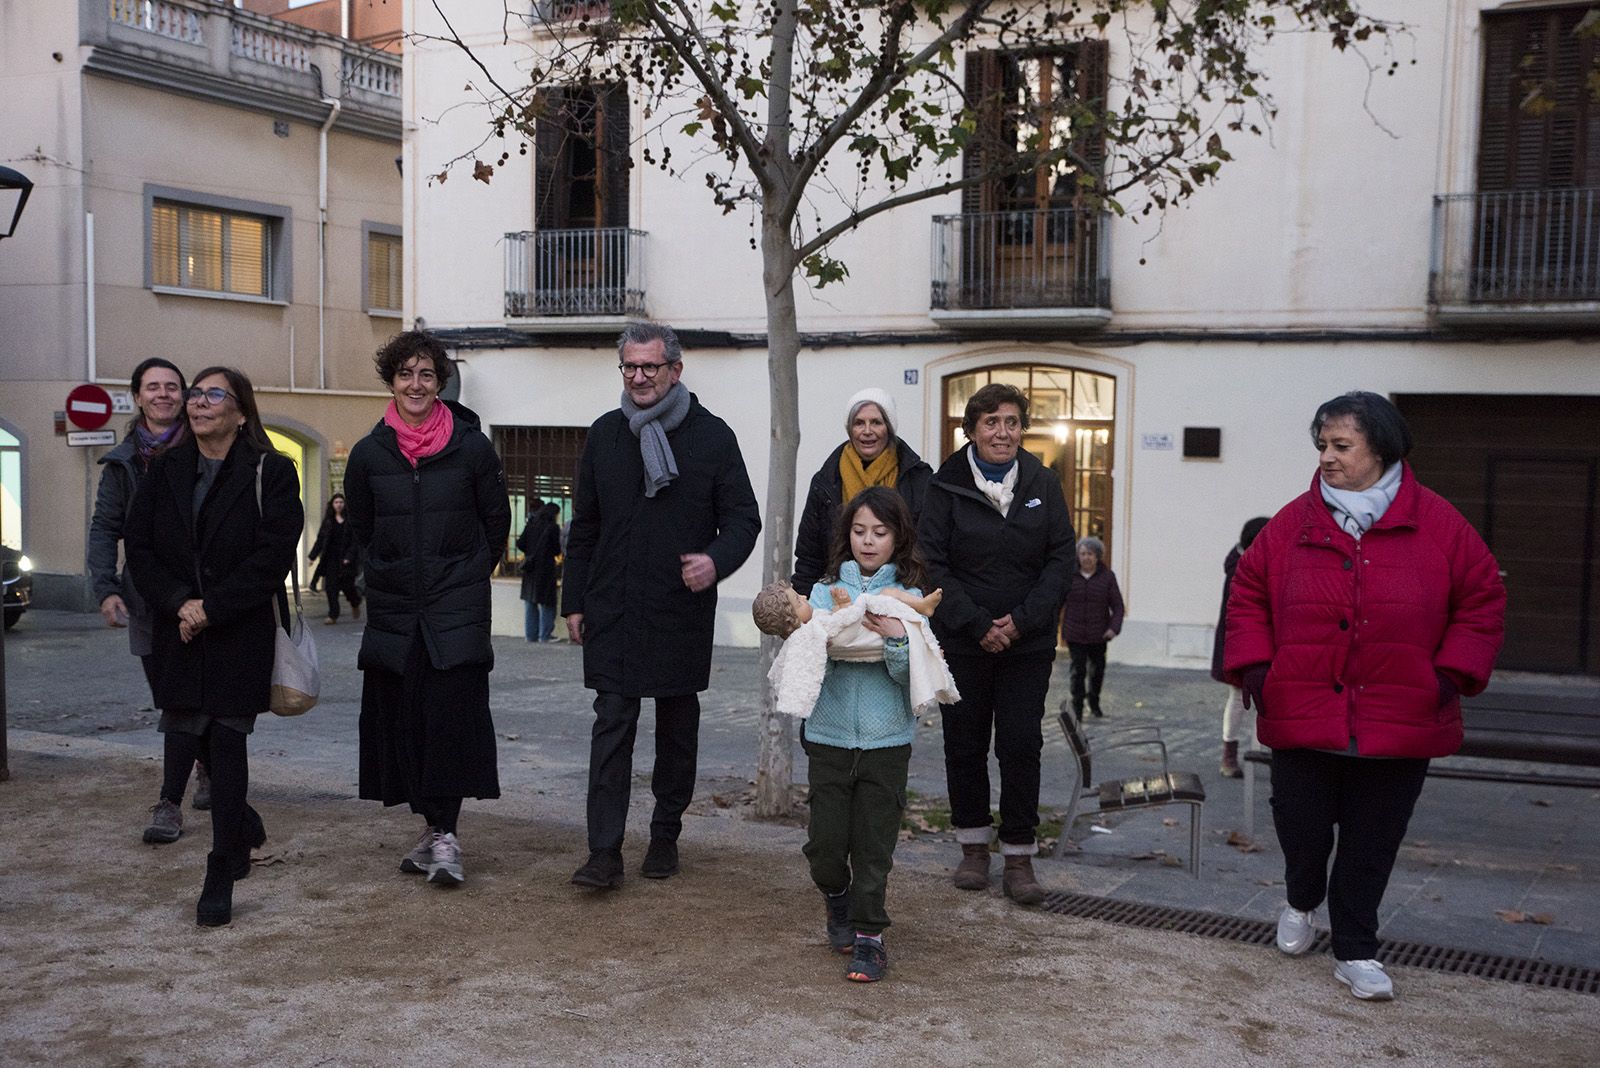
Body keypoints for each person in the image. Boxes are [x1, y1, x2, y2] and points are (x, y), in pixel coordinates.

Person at [1225, 390, 1505, 1002]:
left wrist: (1447, 678)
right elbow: (1247, 595)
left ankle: (1356, 949)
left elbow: (1482, 600)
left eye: (1341, 446)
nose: (1326, 457)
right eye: (1321, 445)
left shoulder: (1441, 524)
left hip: (1399, 718)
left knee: (1370, 844)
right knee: (1302, 830)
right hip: (1302, 710)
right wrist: (1257, 673)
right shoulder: (1291, 523)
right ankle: (1302, 897)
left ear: (1380, 448)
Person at [563, 321, 760, 890]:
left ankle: (665, 835)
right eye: (630, 367)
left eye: (651, 366)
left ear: (676, 369)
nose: (640, 377)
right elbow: (587, 527)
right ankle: (603, 852)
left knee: (676, 728)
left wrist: (714, 561)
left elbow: (743, 519)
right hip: (614, 607)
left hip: (679, 608)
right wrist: (573, 600)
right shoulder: (605, 435)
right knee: (612, 725)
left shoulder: (712, 436)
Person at [125, 367, 303, 926]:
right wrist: (180, 602)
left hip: (237, 630)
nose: (198, 403)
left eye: (212, 394)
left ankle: (220, 867)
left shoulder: (271, 471)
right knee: (188, 732)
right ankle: (243, 828)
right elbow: (140, 545)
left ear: (241, 411)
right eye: (195, 394)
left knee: (226, 743)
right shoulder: (166, 468)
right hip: (177, 629)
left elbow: (273, 556)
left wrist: (211, 608)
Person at [344, 331, 511, 888]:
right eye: (405, 375)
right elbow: (362, 529)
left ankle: (445, 833)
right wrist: (388, 570)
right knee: (405, 724)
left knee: (450, 722)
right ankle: (431, 827)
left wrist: (462, 574)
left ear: (441, 383)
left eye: (426, 376)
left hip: (455, 607)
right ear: (391, 381)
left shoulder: (472, 448)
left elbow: (495, 525)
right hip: (395, 613)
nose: (415, 385)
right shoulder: (369, 454)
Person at [918, 383, 1075, 906]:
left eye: (1011, 422)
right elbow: (932, 565)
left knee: (1020, 746)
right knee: (965, 746)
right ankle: (972, 849)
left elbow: (1060, 561)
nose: (1002, 432)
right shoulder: (944, 487)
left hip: (1026, 646)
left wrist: (1022, 622)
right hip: (963, 643)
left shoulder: (1043, 483)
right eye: (991, 423)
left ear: (1022, 429)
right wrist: (977, 622)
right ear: (972, 430)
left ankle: (1019, 857)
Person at [797, 487, 931, 983]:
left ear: (898, 538)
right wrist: (834, 631)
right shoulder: (821, 592)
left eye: (879, 532)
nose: (868, 541)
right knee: (826, 847)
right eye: (859, 531)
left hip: (887, 741)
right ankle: (837, 898)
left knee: (874, 848)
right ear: (846, 535)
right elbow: (811, 651)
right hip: (829, 737)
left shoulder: (912, 600)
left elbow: (912, 674)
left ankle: (870, 939)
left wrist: (896, 639)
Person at [87, 358, 215, 839]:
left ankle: (177, 792)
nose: (164, 394)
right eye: (153, 387)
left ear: (183, 395)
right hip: (147, 597)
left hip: (203, 593)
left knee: (200, 690)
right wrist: (106, 588)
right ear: (137, 396)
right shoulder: (123, 462)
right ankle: (202, 762)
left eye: (172, 387)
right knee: (168, 692)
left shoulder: (206, 443)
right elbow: (105, 527)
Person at [790, 388, 932, 598]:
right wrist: (802, 608)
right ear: (849, 429)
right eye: (859, 423)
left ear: (889, 428)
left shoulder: (918, 478)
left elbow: (930, 548)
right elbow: (809, 555)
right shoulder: (826, 481)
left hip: (902, 596)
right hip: (837, 599)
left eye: (876, 422)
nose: (867, 431)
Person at [1211, 516, 1270, 777]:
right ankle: (1229, 756)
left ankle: (1262, 752)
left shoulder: (1247, 562)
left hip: (1257, 641)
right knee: (1239, 698)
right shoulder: (1243, 569)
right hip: (1241, 643)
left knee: (1261, 698)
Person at [1060, 535, 1124, 722]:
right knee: (1077, 672)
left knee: (1097, 671)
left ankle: (1094, 701)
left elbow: (1118, 606)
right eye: (1082, 554)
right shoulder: (1070, 576)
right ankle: (1077, 707)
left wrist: (1114, 628)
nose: (1086, 557)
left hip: (1099, 633)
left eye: (1090, 554)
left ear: (1097, 557)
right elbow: (1058, 602)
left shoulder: (1107, 577)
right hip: (1075, 632)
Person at [308, 492, 362, 625]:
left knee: (348, 588)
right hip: (331, 559)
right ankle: (333, 615)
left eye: (341, 502)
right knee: (331, 588)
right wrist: (312, 556)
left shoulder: (350, 522)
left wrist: (349, 557)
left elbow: (355, 542)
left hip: (346, 560)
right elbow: (320, 540)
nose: (339, 505)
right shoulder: (328, 521)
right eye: (336, 502)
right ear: (332, 505)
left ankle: (355, 603)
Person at [517, 501, 561, 642]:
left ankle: (530, 635)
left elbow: (520, 543)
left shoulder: (531, 524)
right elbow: (556, 550)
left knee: (530, 603)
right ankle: (545, 635)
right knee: (547, 604)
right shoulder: (553, 527)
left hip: (530, 569)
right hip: (546, 569)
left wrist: (530, 553)